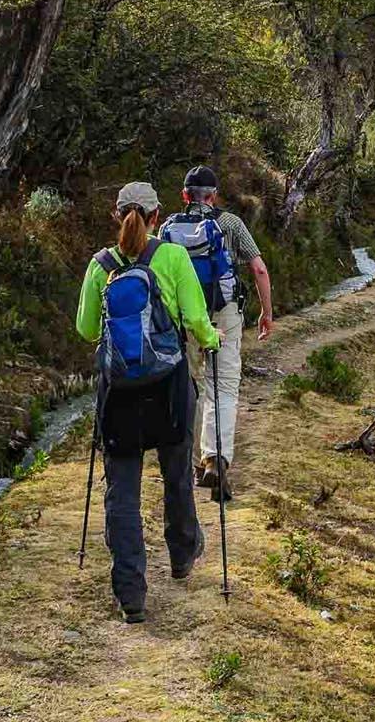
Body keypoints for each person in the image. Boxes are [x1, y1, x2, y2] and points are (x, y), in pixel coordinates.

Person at [75, 181, 217, 623]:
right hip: (168, 387)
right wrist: (214, 338)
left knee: (123, 492)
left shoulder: (100, 266)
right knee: (176, 475)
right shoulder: (172, 257)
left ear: (118, 216)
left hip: (119, 393)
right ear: (157, 217)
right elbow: (195, 319)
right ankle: (181, 556)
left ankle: (131, 595)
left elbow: (86, 330)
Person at [158, 165, 273, 499]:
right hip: (225, 313)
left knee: (192, 387)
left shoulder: (168, 227)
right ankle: (216, 459)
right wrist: (266, 312)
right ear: (214, 195)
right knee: (222, 386)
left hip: (186, 318)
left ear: (184, 196)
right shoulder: (230, 224)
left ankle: (197, 464)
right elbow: (259, 268)